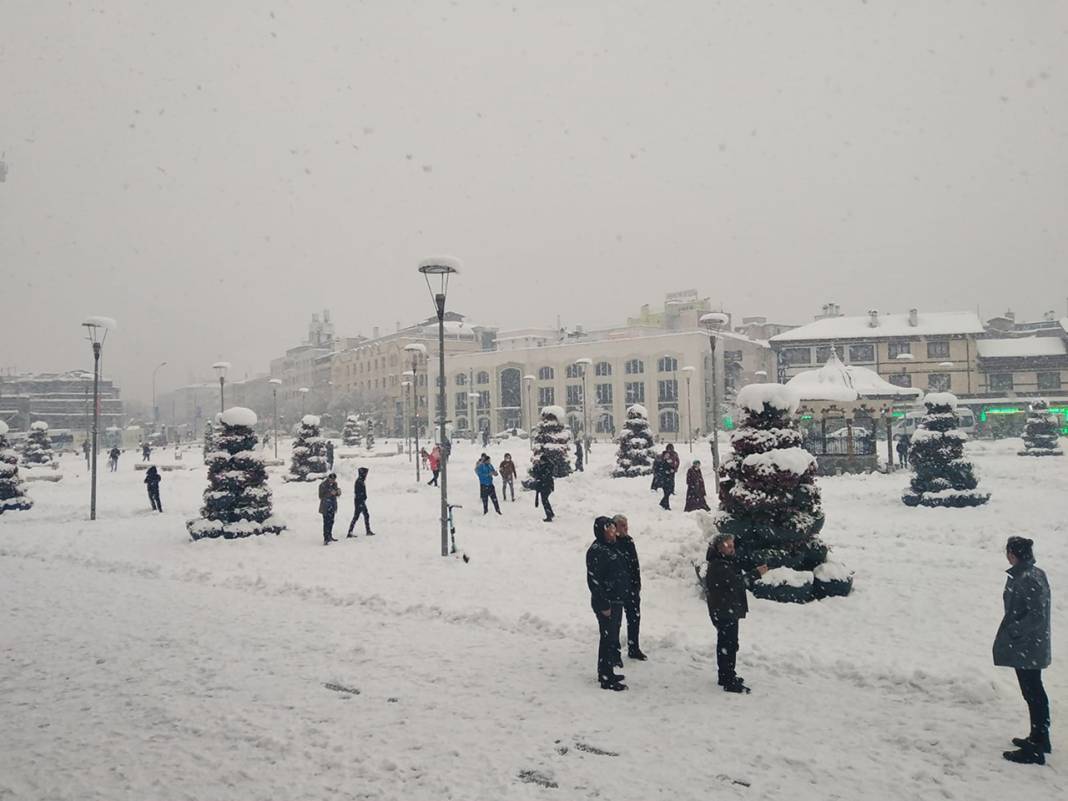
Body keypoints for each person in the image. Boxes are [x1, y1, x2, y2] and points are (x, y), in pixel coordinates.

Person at [994, 536, 1052, 764]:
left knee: (1033, 692)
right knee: (1033, 692)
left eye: (1008, 551)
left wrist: (1013, 632)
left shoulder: (1028, 578)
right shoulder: (1031, 573)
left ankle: (1036, 747)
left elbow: (1036, 616)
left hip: (1027, 646)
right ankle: (1039, 737)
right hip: (1029, 645)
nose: (1006, 554)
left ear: (1013, 553)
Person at [704, 533, 768, 693]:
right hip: (724, 611)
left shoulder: (725, 561)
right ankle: (728, 678)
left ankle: (725, 675)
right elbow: (737, 582)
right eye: (729, 546)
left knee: (729, 643)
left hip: (727, 609)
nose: (733, 549)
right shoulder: (718, 566)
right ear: (719, 548)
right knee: (728, 644)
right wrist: (756, 573)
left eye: (733, 546)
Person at [586, 516, 628, 690]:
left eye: (613, 528)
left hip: (616, 600)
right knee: (607, 638)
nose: (613, 532)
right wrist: (604, 604)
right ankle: (605, 676)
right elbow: (594, 581)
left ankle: (607, 670)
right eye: (609, 529)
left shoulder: (612, 548)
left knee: (611, 638)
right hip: (607, 603)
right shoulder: (597, 550)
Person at [612, 514, 645, 660]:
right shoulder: (612, 543)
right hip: (618, 589)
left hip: (631, 587)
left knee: (634, 618)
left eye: (626, 525)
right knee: (615, 621)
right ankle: (614, 651)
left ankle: (634, 647)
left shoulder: (629, 541)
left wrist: (637, 583)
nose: (626, 528)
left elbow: (634, 564)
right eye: (623, 526)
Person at [347, 467, 375, 537]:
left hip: (360, 501)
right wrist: (362, 499)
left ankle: (351, 531)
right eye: (366, 473)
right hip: (359, 502)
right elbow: (358, 493)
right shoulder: (359, 481)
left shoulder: (360, 481)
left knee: (361, 516)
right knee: (360, 516)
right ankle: (351, 532)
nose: (366, 475)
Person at [652, 444, 679, 509]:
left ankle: (663, 503)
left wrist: (672, 470)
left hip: (668, 478)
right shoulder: (660, 461)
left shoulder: (669, 460)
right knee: (666, 492)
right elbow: (658, 469)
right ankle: (666, 505)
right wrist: (664, 472)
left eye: (668, 455)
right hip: (663, 479)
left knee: (668, 492)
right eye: (666, 455)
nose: (667, 456)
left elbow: (672, 466)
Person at [318, 473, 341, 545]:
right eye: (331, 479)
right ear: (329, 478)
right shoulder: (323, 485)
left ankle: (330, 535)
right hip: (325, 506)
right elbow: (321, 496)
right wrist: (330, 493)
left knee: (331, 521)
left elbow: (336, 493)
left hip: (332, 505)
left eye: (334, 479)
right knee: (326, 523)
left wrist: (338, 492)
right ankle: (326, 538)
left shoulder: (335, 484)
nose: (333, 481)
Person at [532, 454, 555, 522]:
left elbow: (543, 476)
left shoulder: (547, 467)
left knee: (544, 501)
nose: (540, 462)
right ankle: (550, 513)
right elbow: (537, 473)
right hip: (546, 486)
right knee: (545, 500)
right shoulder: (546, 466)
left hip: (546, 486)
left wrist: (540, 478)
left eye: (541, 461)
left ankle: (549, 516)